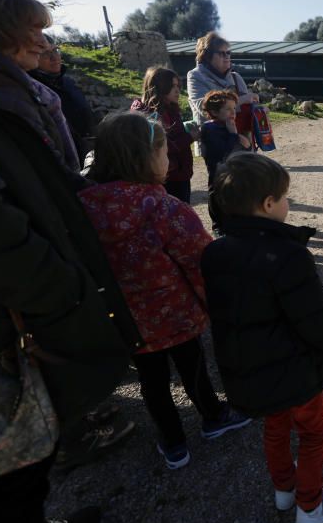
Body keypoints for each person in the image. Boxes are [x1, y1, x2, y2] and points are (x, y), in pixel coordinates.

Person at [0, 0, 142, 523]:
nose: (43, 40)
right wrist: (65, 293)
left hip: (18, 296)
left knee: (16, 464)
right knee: (10, 456)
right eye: (34, 28)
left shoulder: (2, 87)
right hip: (8, 311)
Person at [78, 112, 252, 470]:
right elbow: (202, 264)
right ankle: (213, 417)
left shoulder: (84, 208)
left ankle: (173, 442)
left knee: (152, 383)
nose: (168, 159)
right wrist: (217, 306)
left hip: (127, 321)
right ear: (145, 157)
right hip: (177, 315)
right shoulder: (167, 208)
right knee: (194, 369)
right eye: (164, 152)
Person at [201, 152, 323, 523]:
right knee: (313, 432)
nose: (289, 203)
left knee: (275, 427)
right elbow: (314, 320)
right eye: (286, 197)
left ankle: (284, 489)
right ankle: (312, 504)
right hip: (294, 371)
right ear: (268, 204)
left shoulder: (214, 253)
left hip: (249, 371)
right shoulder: (288, 255)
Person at [131, 66, 197, 203]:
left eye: (178, 85)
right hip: (164, 177)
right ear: (159, 86)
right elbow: (161, 145)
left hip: (178, 174)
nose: (177, 90)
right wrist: (190, 137)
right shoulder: (146, 115)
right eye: (172, 86)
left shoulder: (170, 108)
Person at [29, 35, 96, 164]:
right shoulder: (36, 89)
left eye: (56, 51)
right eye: (46, 53)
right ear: (34, 55)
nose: (54, 57)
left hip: (88, 153)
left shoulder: (67, 82)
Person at [186, 32, 258, 145]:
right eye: (221, 53)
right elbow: (204, 107)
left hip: (243, 139)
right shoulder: (195, 76)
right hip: (216, 142)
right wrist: (242, 99)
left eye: (228, 53)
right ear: (208, 56)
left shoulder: (235, 77)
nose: (227, 57)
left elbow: (248, 107)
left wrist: (258, 109)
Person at [200, 89, 251, 187]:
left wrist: (247, 146)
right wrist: (233, 135)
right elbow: (221, 154)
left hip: (235, 177)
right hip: (220, 179)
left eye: (234, 108)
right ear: (214, 112)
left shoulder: (227, 125)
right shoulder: (210, 129)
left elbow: (241, 151)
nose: (233, 112)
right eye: (228, 109)